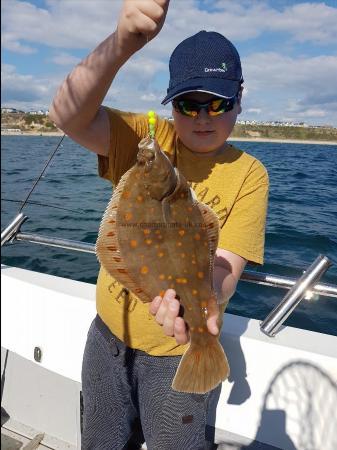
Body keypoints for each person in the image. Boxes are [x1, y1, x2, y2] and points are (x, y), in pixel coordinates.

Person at [49, 1, 269, 449]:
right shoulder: (148, 144)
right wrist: (120, 44)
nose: (203, 117)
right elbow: (67, 115)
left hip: (179, 350)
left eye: (217, 102)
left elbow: (225, 269)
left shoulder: (250, 174)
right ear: (171, 105)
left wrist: (196, 302)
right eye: (189, 104)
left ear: (239, 98)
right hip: (108, 336)